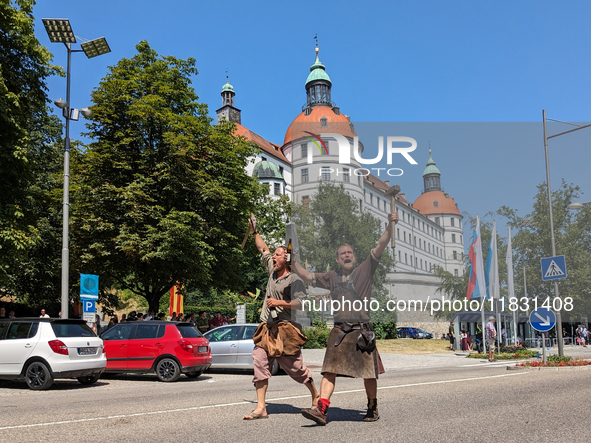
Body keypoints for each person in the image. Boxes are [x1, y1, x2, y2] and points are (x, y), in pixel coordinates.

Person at [294, 212, 398, 425]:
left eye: (350, 252)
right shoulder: (331, 277)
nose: (347, 255)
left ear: (354, 256)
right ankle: (321, 410)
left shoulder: (365, 270)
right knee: (329, 371)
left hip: (362, 331)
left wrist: (390, 224)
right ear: (337, 258)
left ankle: (372, 407)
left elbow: (381, 243)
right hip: (340, 331)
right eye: (343, 253)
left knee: (369, 374)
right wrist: (292, 262)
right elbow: (306, 276)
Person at [243, 219, 319, 421]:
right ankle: (261, 408)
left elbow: (302, 303)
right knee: (259, 362)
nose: (273, 257)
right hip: (267, 328)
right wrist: (255, 231)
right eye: (274, 255)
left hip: (286, 331)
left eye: (277, 255)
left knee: (296, 370)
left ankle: (315, 394)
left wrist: (280, 302)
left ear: (286, 259)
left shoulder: (294, 280)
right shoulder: (272, 270)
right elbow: (263, 248)